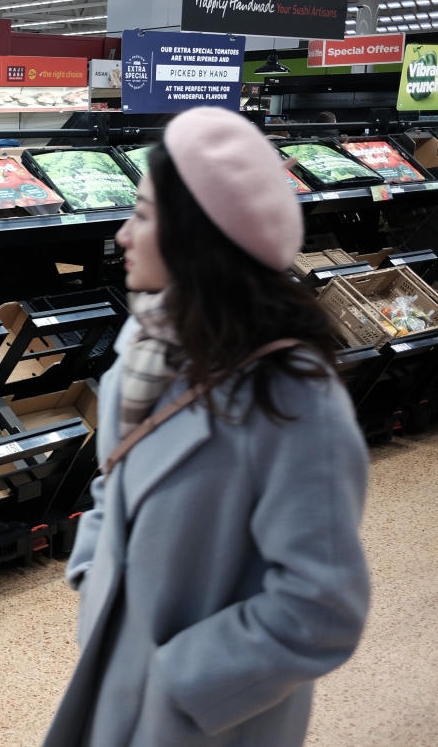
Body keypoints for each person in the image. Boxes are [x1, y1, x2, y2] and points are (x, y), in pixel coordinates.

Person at [43, 107, 369, 747]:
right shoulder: (147, 343)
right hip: (116, 666)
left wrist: (183, 680)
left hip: (207, 717)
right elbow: (119, 479)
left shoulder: (294, 395)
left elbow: (321, 606)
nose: (121, 236)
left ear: (196, 236)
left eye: (141, 214)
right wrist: (95, 574)